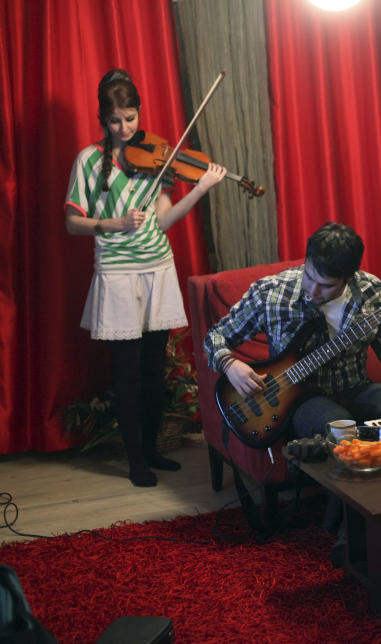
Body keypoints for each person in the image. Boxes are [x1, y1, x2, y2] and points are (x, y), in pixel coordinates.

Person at [65, 69, 227, 487]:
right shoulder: (88, 160)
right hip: (118, 275)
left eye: (131, 118)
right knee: (128, 374)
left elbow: (164, 219)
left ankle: (154, 449)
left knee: (156, 371)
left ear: (139, 114)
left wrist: (199, 190)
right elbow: (72, 223)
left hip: (158, 268)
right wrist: (114, 223)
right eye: (116, 120)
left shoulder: (157, 159)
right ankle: (135, 459)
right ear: (104, 119)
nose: (125, 128)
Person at [204, 222, 381, 441]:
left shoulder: (373, 293)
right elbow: (215, 337)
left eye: (326, 286)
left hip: (355, 388)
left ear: (349, 278)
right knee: (338, 424)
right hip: (299, 398)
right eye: (309, 277)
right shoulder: (271, 293)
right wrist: (229, 364)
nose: (313, 290)